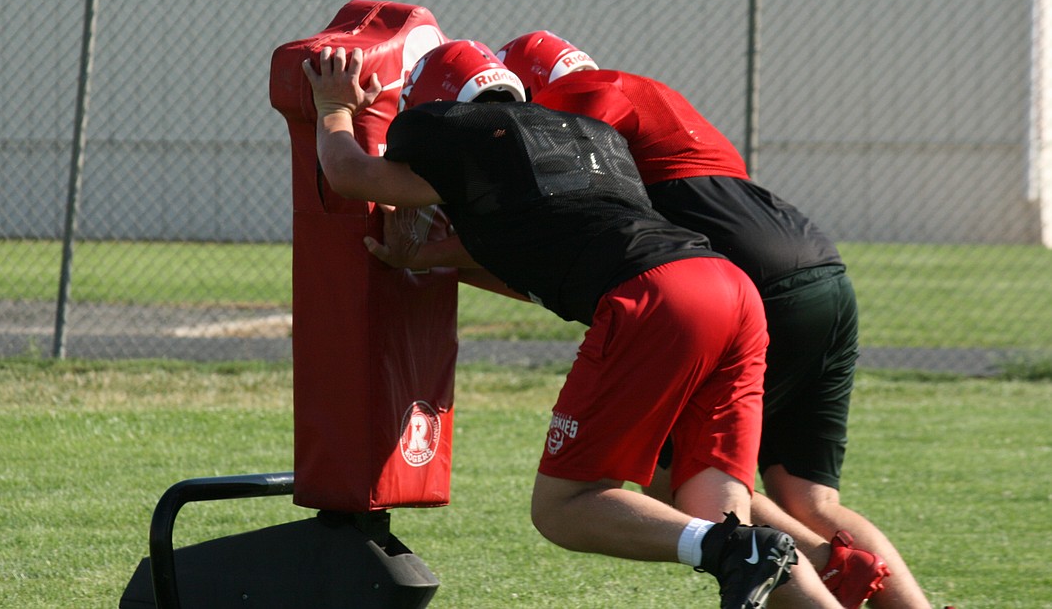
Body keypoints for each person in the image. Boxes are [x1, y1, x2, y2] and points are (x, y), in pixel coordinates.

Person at [303, 39, 844, 609]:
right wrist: (424, 258)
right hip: (731, 292)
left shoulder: (468, 134)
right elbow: (543, 261)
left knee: (565, 507)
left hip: (659, 297)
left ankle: (728, 550)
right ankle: (743, 551)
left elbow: (350, 174)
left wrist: (334, 106)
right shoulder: (583, 137)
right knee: (721, 519)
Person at [498, 31, 932, 609]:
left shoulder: (587, 94)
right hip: (820, 270)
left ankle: (816, 565)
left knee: (691, 486)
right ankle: (857, 573)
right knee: (811, 503)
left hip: (749, 284)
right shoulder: (664, 105)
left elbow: (560, 157)